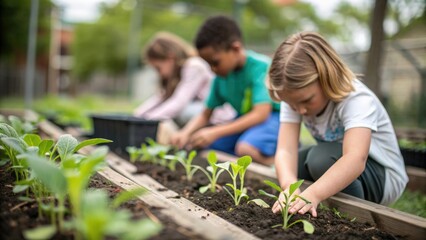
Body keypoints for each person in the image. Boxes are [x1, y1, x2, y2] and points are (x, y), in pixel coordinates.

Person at [266, 32, 408, 217]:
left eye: (307, 101)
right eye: (293, 105)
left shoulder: (356, 98)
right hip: (339, 161)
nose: (299, 110)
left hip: (382, 177)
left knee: (319, 159)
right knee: (297, 165)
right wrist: (289, 187)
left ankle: (353, 219)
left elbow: (355, 159)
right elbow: (286, 150)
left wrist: (313, 194)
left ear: (326, 77)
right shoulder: (294, 97)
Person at [170, 15, 281, 165]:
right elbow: (205, 114)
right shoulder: (220, 77)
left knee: (246, 149)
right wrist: (185, 133)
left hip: (273, 119)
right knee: (208, 145)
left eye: (215, 62)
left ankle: (278, 162)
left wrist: (215, 132)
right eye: (208, 64)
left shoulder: (260, 67)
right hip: (243, 119)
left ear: (235, 49)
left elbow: (261, 114)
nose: (212, 69)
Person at [133, 32, 235, 127]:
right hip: (200, 113)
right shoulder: (176, 74)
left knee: (180, 112)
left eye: (158, 68)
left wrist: (148, 121)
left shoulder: (194, 66)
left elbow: (179, 102)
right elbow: (159, 98)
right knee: (170, 111)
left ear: (170, 58)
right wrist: (136, 116)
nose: (160, 74)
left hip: (218, 115)